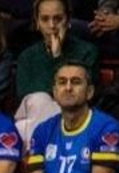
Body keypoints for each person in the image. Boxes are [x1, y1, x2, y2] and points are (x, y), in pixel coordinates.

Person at [13, 0, 96, 138]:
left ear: (68, 20)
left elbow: (81, 95)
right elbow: (26, 96)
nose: (52, 25)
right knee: (39, 100)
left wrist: (57, 56)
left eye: (58, 19)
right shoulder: (27, 56)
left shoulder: (88, 51)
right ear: (37, 23)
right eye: (45, 19)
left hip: (76, 116)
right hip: (35, 115)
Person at [25, 61, 119, 173]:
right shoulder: (42, 131)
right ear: (54, 92)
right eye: (62, 82)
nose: (68, 88)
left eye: (76, 82)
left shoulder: (107, 129)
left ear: (90, 92)